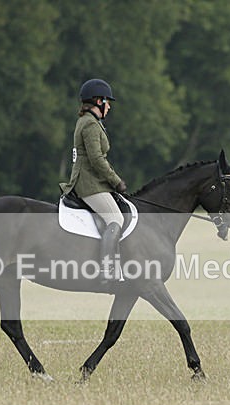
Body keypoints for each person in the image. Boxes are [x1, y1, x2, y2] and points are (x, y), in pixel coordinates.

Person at [60, 78, 127, 283]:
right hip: (88, 183)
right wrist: (116, 181)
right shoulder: (89, 124)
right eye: (107, 102)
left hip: (93, 181)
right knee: (116, 219)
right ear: (98, 101)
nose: (109, 107)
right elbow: (96, 159)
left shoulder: (92, 122)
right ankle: (107, 271)